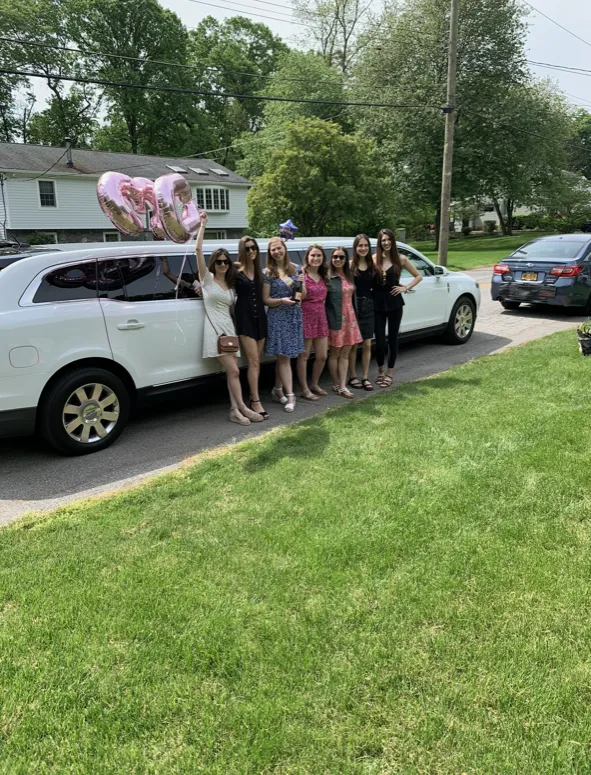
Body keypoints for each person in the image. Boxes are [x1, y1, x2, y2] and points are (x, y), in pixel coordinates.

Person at [194, 213, 263, 426]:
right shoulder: (207, 279)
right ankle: (242, 406)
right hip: (215, 330)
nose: (222, 264)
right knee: (233, 371)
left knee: (232, 372)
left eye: (225, 261)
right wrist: (203, 225)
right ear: (213, 263)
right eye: (219, 261)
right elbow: (197, 250)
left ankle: (235, 410)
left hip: (229, 329)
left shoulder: (232, 284)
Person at [372, 228, 422, 388]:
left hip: (395, 303)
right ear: (379, 242)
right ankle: (380, 370)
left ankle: (390, 373)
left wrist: (405, 287)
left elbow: (418, 276)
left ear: (392, 241)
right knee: (379, 340)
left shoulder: (401, 259)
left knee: (393, 339)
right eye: (383, 240)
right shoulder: (374, 259)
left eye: (388, 240)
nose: (386, 243)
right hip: (377, 302)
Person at [262, 236, 306, 413]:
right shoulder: (267, 273)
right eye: (273, 249)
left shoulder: (296, 268)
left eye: (279, 248)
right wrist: (281, 300)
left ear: (285, 249)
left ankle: (277, 390)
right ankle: (291, 396)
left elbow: (302, 295)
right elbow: (265, 299)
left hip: (294, 316)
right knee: (284, 357)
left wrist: (301, 284)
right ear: (270, 252)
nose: (277, 252)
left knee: (283, 357)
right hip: (278, 317)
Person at [235, 236, 268, 420]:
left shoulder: (260, 271)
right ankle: (255, 400)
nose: (251, 251)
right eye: (247, 249)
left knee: (257, 362)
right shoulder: (235, 270)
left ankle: (253, 396)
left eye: (253, 247)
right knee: (254, 361)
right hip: (245, 320)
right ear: (242, 251)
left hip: (260, 319)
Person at [326, 247, 362, 399]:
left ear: (346, 259)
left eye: (341, 257)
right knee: (335, 354)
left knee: (346, 353)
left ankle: (342, 385)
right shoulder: (327, 277)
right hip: (336, 319)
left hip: (351, 319)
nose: (338, 260)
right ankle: (336, 384)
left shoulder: (350, 275)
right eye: (335, 257)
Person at [297, 244, 329, 401]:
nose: (316, 258)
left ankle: (314, 384)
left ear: (323, 258)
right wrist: (301, 282)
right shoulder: (301, 273)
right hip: (305, 316)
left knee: (322, 355)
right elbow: (299, 296)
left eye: (319, 256)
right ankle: (304, 389)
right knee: (304, 356)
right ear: (307, 257)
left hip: (321, 317)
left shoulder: (324, 275)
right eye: (313, 255)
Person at [348, 234, 376, 391]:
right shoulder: (351, 266)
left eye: (365, 245)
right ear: (355, 248)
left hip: (369, 306)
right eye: (360, 246)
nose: (363, 248)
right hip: (354, 307)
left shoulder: (373, 267)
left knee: (367, 343)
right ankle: (352, 376)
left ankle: (365, 377)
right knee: (353, 344)